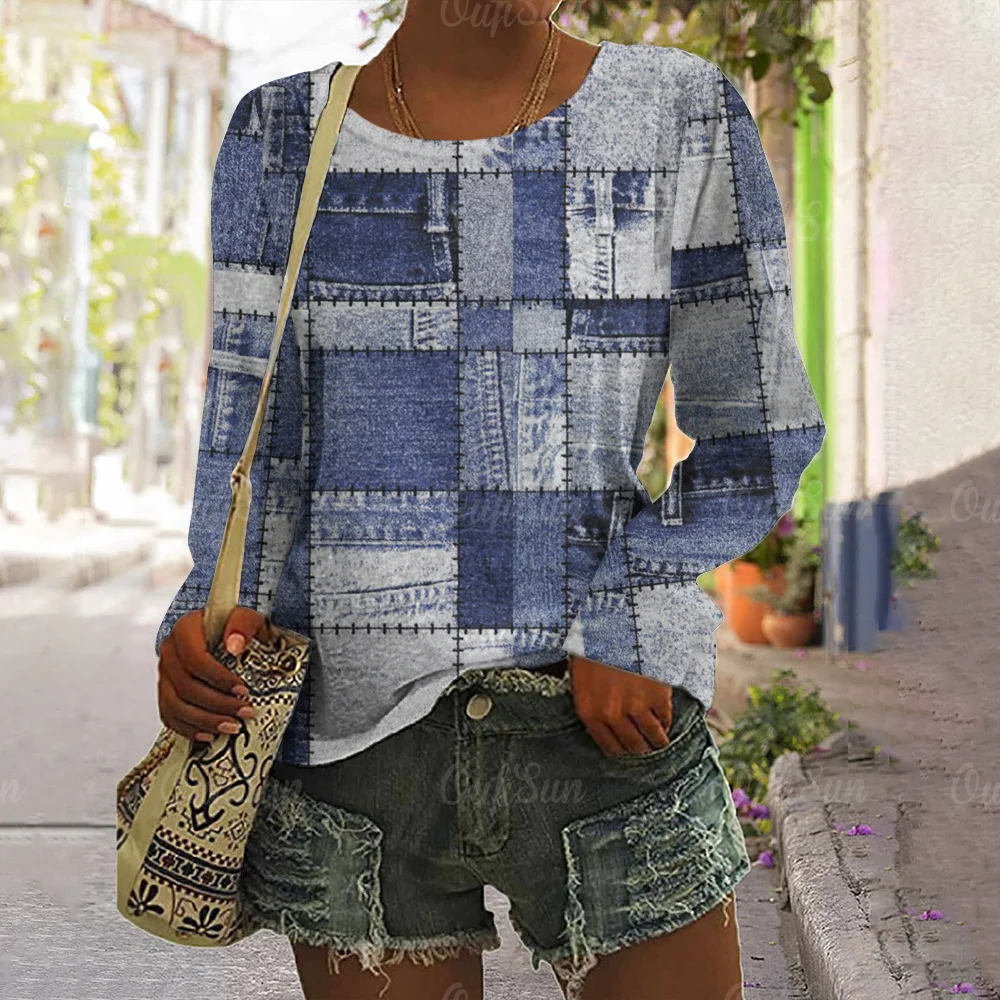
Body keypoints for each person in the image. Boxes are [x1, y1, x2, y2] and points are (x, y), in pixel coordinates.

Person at [154, 2, 825, 998]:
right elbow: (253, 435)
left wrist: (629, 607)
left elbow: (758, 429)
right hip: (351, 755)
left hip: (606, 729)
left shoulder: (678, 111)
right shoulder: (279, 131)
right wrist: (203, 625)